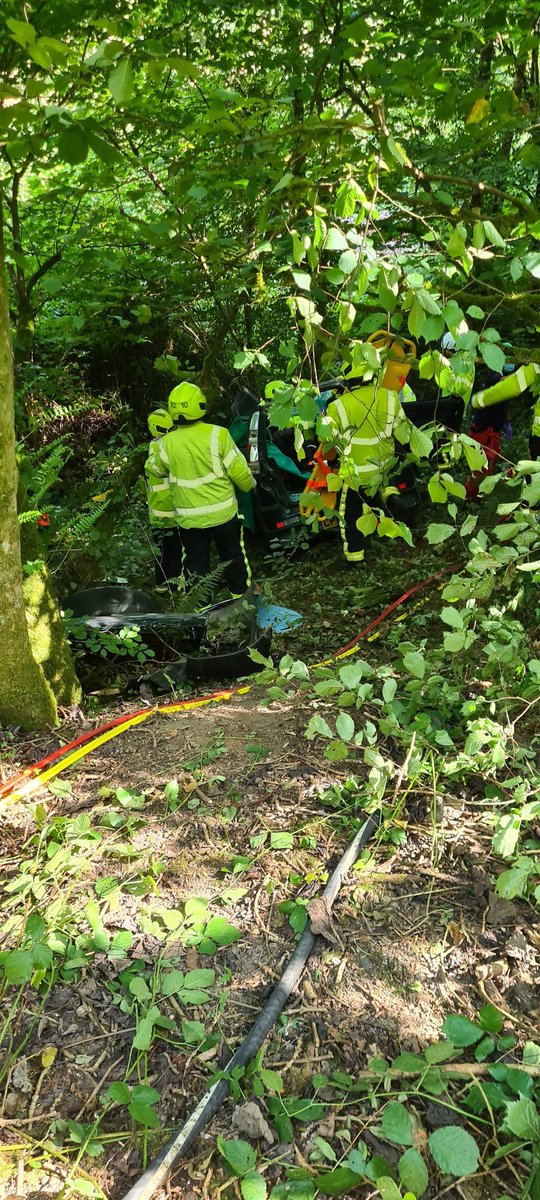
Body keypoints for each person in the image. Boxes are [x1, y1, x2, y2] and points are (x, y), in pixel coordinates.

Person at [146, 382, 256, 597]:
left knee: (195, 565)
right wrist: (250, 485)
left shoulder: (167, 443)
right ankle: (241, 598)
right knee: (233, 557)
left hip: (190, 519)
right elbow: (240, 473)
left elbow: (155, 469)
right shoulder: (219, 435)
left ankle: (201, 608)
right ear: (200, 405)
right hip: (224, 515)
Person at [322, 372, 413, 563]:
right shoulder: (389, 397)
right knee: (383, 502)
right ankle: (394, 536)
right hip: (383, 470)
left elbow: (325, 439)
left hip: (354, 477)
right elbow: (403, 433)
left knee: (350, 517)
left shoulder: (337, 406)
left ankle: (355, 558)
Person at [470, 361, 540, 466]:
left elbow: (510, 386)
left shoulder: (535, 363)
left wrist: (477, 400)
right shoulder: (494, 376)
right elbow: (507, 385)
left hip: (492, 429)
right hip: (484, 428)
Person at [145, 408, 183, 591]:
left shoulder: (152, 447)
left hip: (156, 514)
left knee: (161, 553)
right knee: (175, 552)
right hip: (171, 513)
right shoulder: (165, 449)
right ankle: (174, 587)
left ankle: (161, 586)